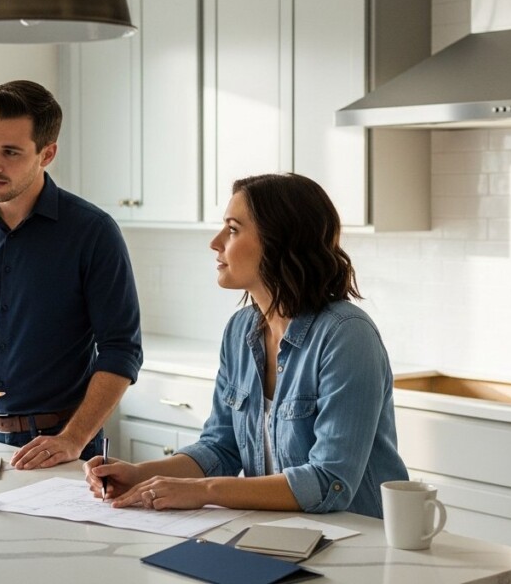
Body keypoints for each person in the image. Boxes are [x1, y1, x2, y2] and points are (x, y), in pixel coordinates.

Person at [84, 173, 407, 518]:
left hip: (357, 543)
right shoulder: (240, 331)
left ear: (280, 241)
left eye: (233, 229)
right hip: (281, 535)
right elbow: (220, 447)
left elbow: (330, 482)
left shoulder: (346, 336)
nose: (216, 242)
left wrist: (203, 492)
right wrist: (139, 474)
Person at [0, 80, 142, 469]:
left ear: (47, 154)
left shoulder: (93, 232)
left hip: (64, 445)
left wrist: (73, 439)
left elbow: (122, 351)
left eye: (10, 152)